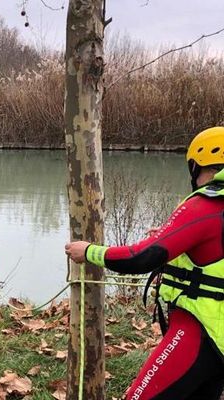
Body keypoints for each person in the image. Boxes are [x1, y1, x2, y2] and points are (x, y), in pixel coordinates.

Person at [65, 126, 224, 399]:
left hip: (201, 330)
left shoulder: (204, 206)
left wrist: (89, 251)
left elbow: (141, 257)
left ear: (197, 165)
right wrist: (173, 241)